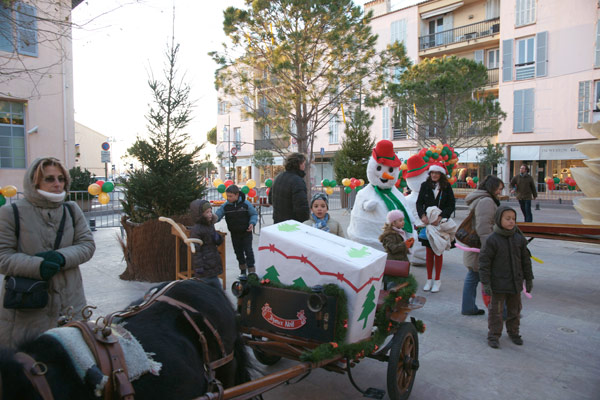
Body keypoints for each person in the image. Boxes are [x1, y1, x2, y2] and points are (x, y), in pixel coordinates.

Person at [0, 157, 96, 347]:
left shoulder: (71, 209)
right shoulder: (11, 212)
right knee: (29, 368)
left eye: (61, 179)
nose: (57, 184)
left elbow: (87, 245)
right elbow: (3, 256)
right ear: (35, 181)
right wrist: (37, 265)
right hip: (27, 308)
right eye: (49, 179)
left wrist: (61, 257)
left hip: (70, 302)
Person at [479, 206, 534, 349]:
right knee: (496, 312)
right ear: (499, 220)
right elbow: (484, 263)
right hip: (498, 284)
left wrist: (529, 279)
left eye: (513, 219)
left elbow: (526, 260)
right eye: (507, 219)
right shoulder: (492, 240)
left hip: (515, 283)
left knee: (515, 311)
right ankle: (493, 335)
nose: (511, 222)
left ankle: (514, 332)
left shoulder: (519, 238)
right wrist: (486, 283)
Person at [461, 175, 505, 316]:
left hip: (478, 247)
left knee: (473, 276)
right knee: (491, 278)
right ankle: (501, 312)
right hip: (481, 248)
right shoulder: (486, 201)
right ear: (492, 187)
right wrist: (490, 249)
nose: (500, 192)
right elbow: (484, 228)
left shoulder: (481, 198)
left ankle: (468, 307)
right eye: (499, 188)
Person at [416, 162, 455, 293]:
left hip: (440, 224)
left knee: (438, 252)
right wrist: (422, 216)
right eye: (432, 173)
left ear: (441, 174)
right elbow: (419, 203)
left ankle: (437, 280)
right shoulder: (424, 186)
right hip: (428, 224)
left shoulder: (447, 187)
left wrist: (441, 216)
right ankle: (428, 280)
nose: (434, 175)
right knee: (428, 253)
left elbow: (451, 204)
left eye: (436, 173)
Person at [215, 185, 258, 275]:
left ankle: (251, 270)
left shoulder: (246, 204)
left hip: (246, 232)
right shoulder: (225, 206)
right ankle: (242, 269)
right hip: (234, 233)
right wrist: (211, 219)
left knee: (248, 251)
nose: (228, 198)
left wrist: (252, 223)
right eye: (227, 196)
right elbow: (218, 215)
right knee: (238, 252)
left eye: (230, 196)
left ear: (237, 195)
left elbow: (253, 214)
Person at [189, 199, 223, 289]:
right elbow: (196, 250)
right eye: (207, 212)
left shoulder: (210, 225)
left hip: (212, 263)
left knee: (215, 287)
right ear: (200, 215)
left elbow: (217, 242)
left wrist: (218, 238)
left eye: (210, 211)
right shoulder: (197, 230)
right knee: (209, 288)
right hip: (204, 267)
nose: (210, 214)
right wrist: (198, 267)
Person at [268, 153, 310, 223]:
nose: (304, 166)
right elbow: (301, 207)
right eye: (303, 164)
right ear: (298, 164)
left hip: (278, 222)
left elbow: (270, 199)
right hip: (292, 224)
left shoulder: (278, 177)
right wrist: (305, 221)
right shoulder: (297, 181)